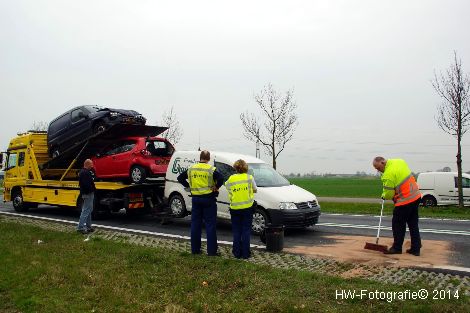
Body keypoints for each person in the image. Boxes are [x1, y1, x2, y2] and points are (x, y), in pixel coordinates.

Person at [372, 156, 422, 256]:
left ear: (382, 162)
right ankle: (416, 248)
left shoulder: (388, 174)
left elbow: (389, 194)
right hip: (416, 196)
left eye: (378, 168)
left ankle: (397, 248)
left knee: (398, 224)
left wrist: (384, 195)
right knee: (413, 224)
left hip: (405, 200)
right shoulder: (400, 161)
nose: (378, 170)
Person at [177, 150, 223, 256]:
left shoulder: (192, 168)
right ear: (208, 158)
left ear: (200, 157)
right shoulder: (211, 169)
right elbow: (221, 178)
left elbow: (180, 178)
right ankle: (211, 252)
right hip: (208, 200)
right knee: (210, 225)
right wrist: (216, 187)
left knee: (195, 225)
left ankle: (195, 250)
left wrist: (189, 187)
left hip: (196, 200)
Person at [225, 159, 257, 259]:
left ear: (235, 168)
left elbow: (227, 187)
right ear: (245, 167)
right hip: (247, 207)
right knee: (246, 230)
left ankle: (237, 253)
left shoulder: (231, 178)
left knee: (236, 230)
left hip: (235, 208)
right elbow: (255, 189)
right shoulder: (249, 177)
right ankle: (246, 253)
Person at [77, 159, 96, 234]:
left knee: (88, 210)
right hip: (88, 193)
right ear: (87, 164)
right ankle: (80, 228)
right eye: (91, 164)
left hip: (87, 193)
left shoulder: (84, 172)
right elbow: (86, 184)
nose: (92, 166)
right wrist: (92, 189)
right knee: (86, 210)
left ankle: (88, 227)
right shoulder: (85, 173)